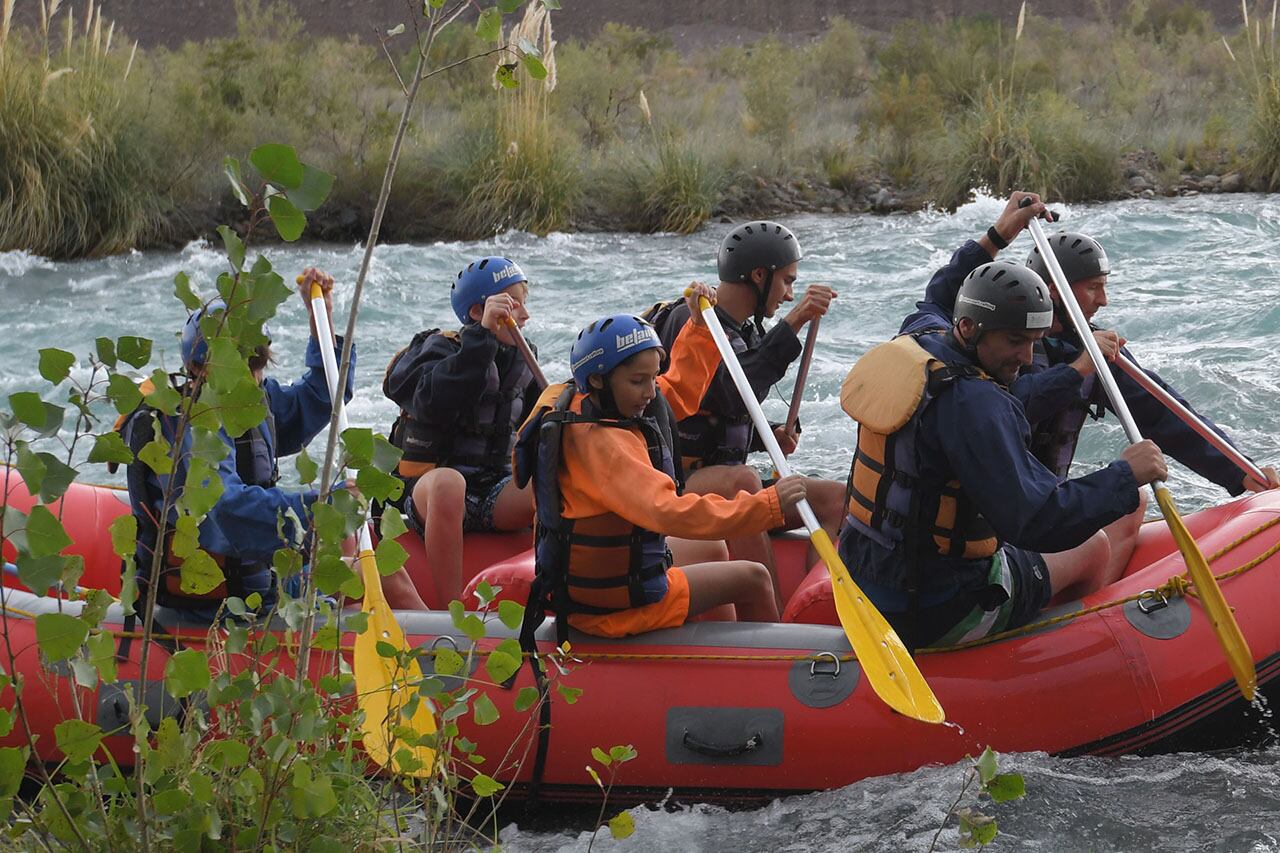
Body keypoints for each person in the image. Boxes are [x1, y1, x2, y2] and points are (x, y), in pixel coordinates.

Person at [900, 191, 1279, 585]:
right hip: (1005, 512)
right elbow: (1008, 400)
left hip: (1041, 507)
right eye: (1093, 287)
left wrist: (1238, 471)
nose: (1104, 299)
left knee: (1133, 503)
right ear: (1054, 291)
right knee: (1111, 519)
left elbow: (1161, 411)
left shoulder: (1089, 348)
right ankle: (1078, 618)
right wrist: (1080, 368)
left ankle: (1090, 605)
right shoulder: (988, 347)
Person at [838, 261, 1170, 650]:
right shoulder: (978, 404)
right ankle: (1063, 658)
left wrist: (997, 234)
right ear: (967, 328)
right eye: (1014, 340)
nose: (1027, 357)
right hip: (934, 609)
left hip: (864, 581)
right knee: (1094, 546)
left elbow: (936, 295)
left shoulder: (918, 341)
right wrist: (1126, 475)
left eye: (1034, 340)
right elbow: (1040, 521)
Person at [119, 268, 427, 617]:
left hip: (256, 570)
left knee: (359, 549)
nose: (255, 377)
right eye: (244, 365)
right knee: (388, 577)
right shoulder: (195, 425)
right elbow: (226, 509)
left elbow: (323, 398)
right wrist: (319, 505)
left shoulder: (247, 398)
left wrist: (320, 322)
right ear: (202, 368)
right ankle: (451, 651)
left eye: (258, 363)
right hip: (224, 592)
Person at [516, 291, 809, 642]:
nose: (650, 392)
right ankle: (771, 674)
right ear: (599, 379)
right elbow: (669, 512)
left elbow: (676, 391)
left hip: (591, 581)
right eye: (639, 382)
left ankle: (716, 661)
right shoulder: (605, 445)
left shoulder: (580, 400)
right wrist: (768, 505)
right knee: (754, 577)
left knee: (714, 549)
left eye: (651, 377)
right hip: (611, 609)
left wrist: (698, 327)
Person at [647, 221, 844, 607]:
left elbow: (719, 417)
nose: (788, 295)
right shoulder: (692, 321)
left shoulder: (747, 329)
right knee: (743, 482)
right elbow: (731, 394)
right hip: (680, 486)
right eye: (786, 282)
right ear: (758, 275)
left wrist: (767, 434)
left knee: (837, 499)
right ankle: (768, 625)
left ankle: (814, 608)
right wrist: (795, 322)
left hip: (721, 477)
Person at [382, 256, 540, 606]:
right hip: (429, 492)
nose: (525, 315)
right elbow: (433, 401)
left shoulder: (522, 359)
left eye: (525, 304)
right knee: (449, 483)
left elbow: (535, 431)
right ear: (477, 312)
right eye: (514, 305)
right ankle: (450, 609)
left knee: (551, 478)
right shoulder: (438, 349)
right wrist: (481, 338)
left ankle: (551, 593)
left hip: (492, 491)